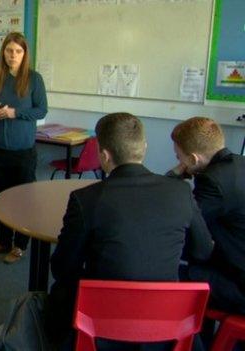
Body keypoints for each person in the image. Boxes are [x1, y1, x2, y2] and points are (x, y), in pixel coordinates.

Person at [45, 113, 214, 349]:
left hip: (100, 326)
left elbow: (63, 267)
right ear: (143, 148)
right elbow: (203, 251)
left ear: (104, 156)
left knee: (60, 291)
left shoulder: (86, 199)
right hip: (166, 327)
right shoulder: (181, 193)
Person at [0, 32, 48, 264]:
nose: (13, 55)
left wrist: (15, 113)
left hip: (23, 151)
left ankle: (20, 245)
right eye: (9, 51)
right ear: (3, 53)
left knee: (22, 199)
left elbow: (41, 110)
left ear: (25, 53)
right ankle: (2, 241)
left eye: (18, 51)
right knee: (1, 198)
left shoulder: (34, 79)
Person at [170, 116, 245, 314]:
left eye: (179, 158)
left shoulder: (213, 182)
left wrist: (174, 178)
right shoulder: (239, 164)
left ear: (194, 159)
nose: (179, 163)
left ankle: (191, 341)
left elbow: (183, 221)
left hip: (238, 286)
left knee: (167, 273)